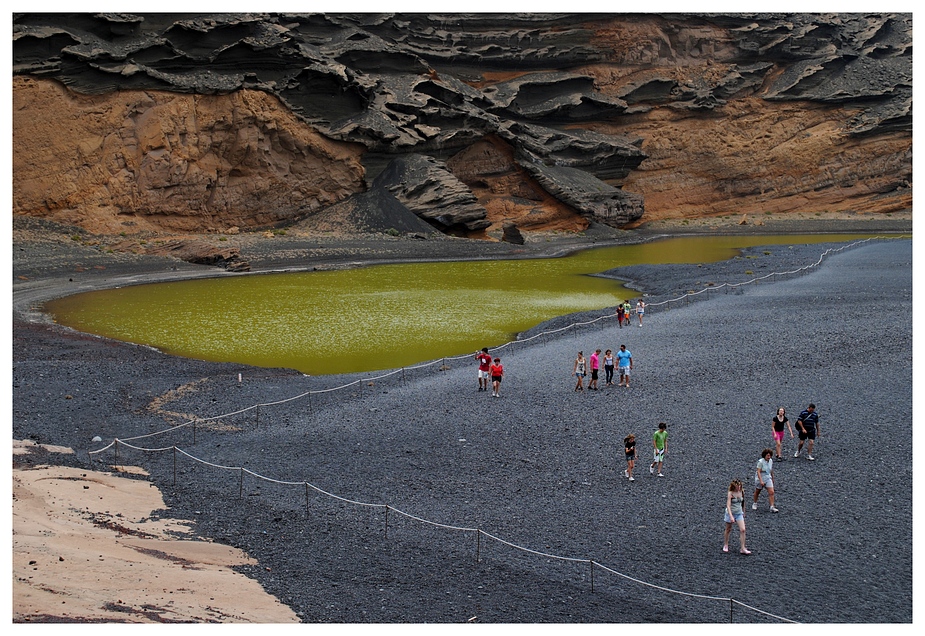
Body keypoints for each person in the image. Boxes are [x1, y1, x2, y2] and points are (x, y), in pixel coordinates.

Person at [723, 479, 751, 555]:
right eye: (737, 486)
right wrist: (731, 516)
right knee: (728, 529)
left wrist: (743, 512)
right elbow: (728, 506)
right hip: (730, 513)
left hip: (739, 513)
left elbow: (743, 502)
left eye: (740, 486)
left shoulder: (742, 492)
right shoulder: (731, 493)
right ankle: (726, 544)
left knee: (743, 530)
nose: (739, 487)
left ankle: (743, 548)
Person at [752, 448, 779, 512]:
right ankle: (755, 503)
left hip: (767, 477)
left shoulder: (770, 461)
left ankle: (772, 506)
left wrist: (772, 478)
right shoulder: (760, 462)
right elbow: (758, 471)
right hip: (760, 477)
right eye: (767, 455)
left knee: (771, 492)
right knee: (758, 491)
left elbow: (771, 470)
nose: (769, 457)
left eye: (770, 456)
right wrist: (761, 481)